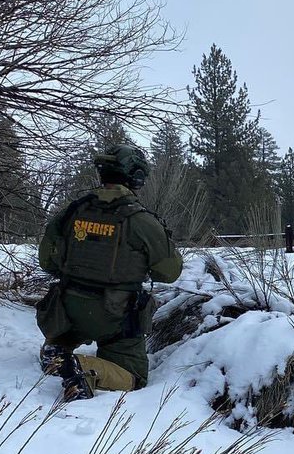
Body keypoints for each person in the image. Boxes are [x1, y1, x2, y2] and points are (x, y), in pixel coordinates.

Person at [35, 143, 183, 401]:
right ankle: (81, 368)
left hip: (67, 309)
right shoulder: (142, 221)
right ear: (136, 177)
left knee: (70, 325)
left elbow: (46, 261)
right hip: (114, 316)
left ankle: (57, 350)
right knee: (134, 376)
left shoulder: (72, 211)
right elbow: (169, 273)